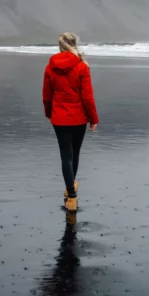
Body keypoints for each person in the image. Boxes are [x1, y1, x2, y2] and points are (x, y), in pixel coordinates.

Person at [42, 32, 99, 212]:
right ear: (75, 45)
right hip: (78, 117)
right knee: (75, 154)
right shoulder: (82, 66)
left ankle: (71, 196)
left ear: (60, 46)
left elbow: (46, 95)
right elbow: (87, 97)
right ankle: (70, 192)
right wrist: (93, 119)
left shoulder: (50, 67)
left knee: (65, 156)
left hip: (59, 117)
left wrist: (49, 113)